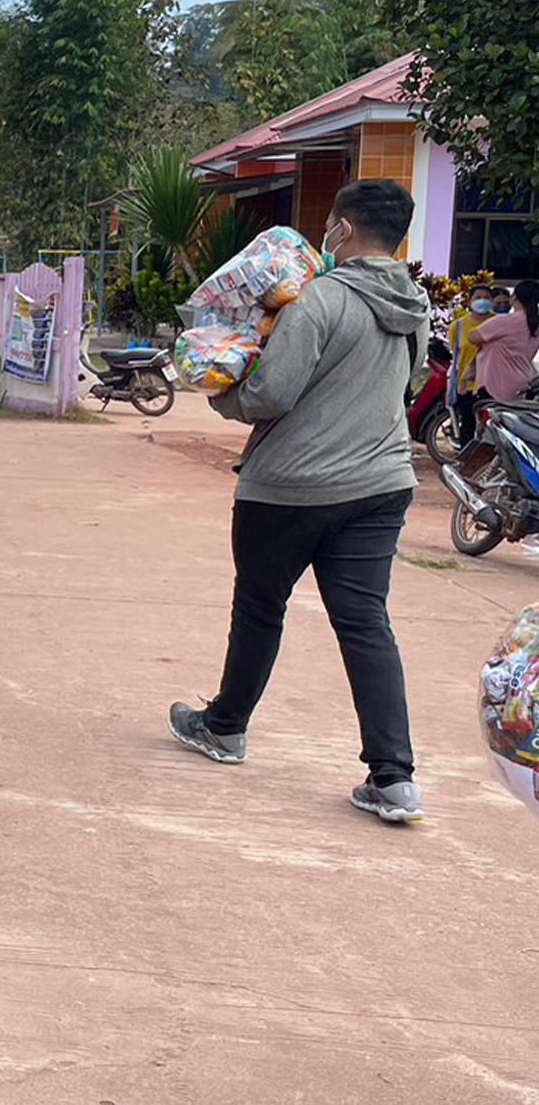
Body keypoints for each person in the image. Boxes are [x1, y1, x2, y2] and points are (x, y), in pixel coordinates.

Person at [169, 179, 432, 823]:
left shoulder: (318, 301)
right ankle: (393, 779)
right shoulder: (417, 304)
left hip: (290, 487)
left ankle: (226, 727)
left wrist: (220, 390)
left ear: (341, 229)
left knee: (260, 607)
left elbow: (269, 394)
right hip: (381, 485)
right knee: (366, 622)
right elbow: (410, 383)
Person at [473, 279, 539, 414]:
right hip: (524, 381)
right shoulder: (535, 322)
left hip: (498, 383)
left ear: (515, 298)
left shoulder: (505, 321)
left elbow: (473, 336)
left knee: (491, 427)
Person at [451, 288, 494, 446]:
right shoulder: (458, 326)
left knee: (490, 429)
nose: (482, 300)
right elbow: (456, 356)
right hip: (466, 385)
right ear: (469, 302)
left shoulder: (499, 322)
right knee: (467, 426)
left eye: (487, 297)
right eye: (478, 297)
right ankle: (466, 464)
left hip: (491, 384)